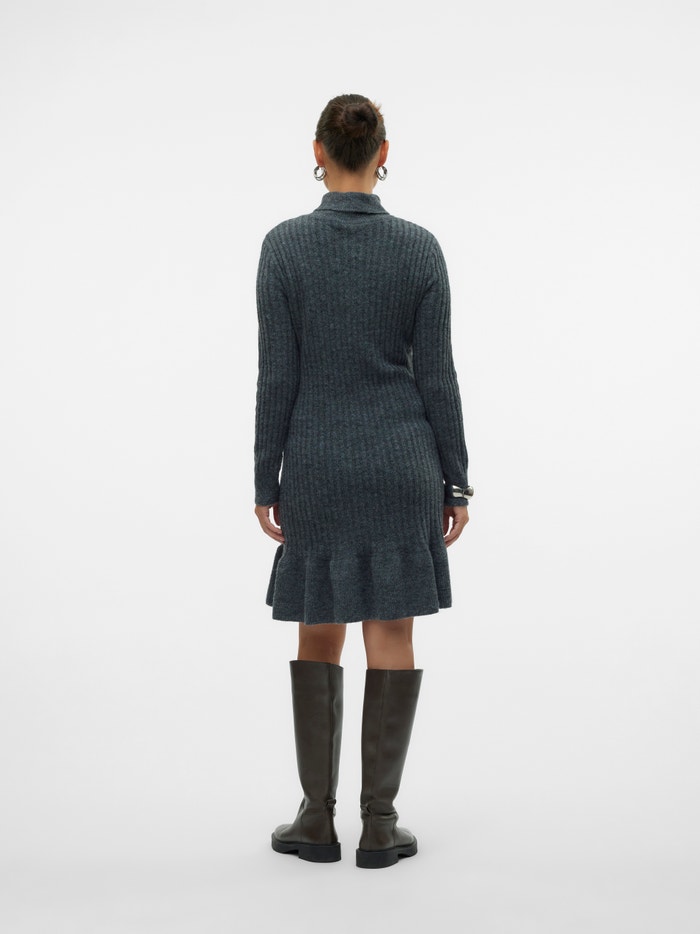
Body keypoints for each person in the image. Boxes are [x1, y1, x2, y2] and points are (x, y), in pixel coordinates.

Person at [253, 93, 472, 869]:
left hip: (315, 464)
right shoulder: (419, 249)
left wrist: (265, 479)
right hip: (402, 464)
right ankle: (380, 825)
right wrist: (457, 481)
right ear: (384, 153)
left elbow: (276, 376)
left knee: (320, 629)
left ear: (319, 152)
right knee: (392, 633)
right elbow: (438, 378)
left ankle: (316, 820)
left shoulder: (284, 247)